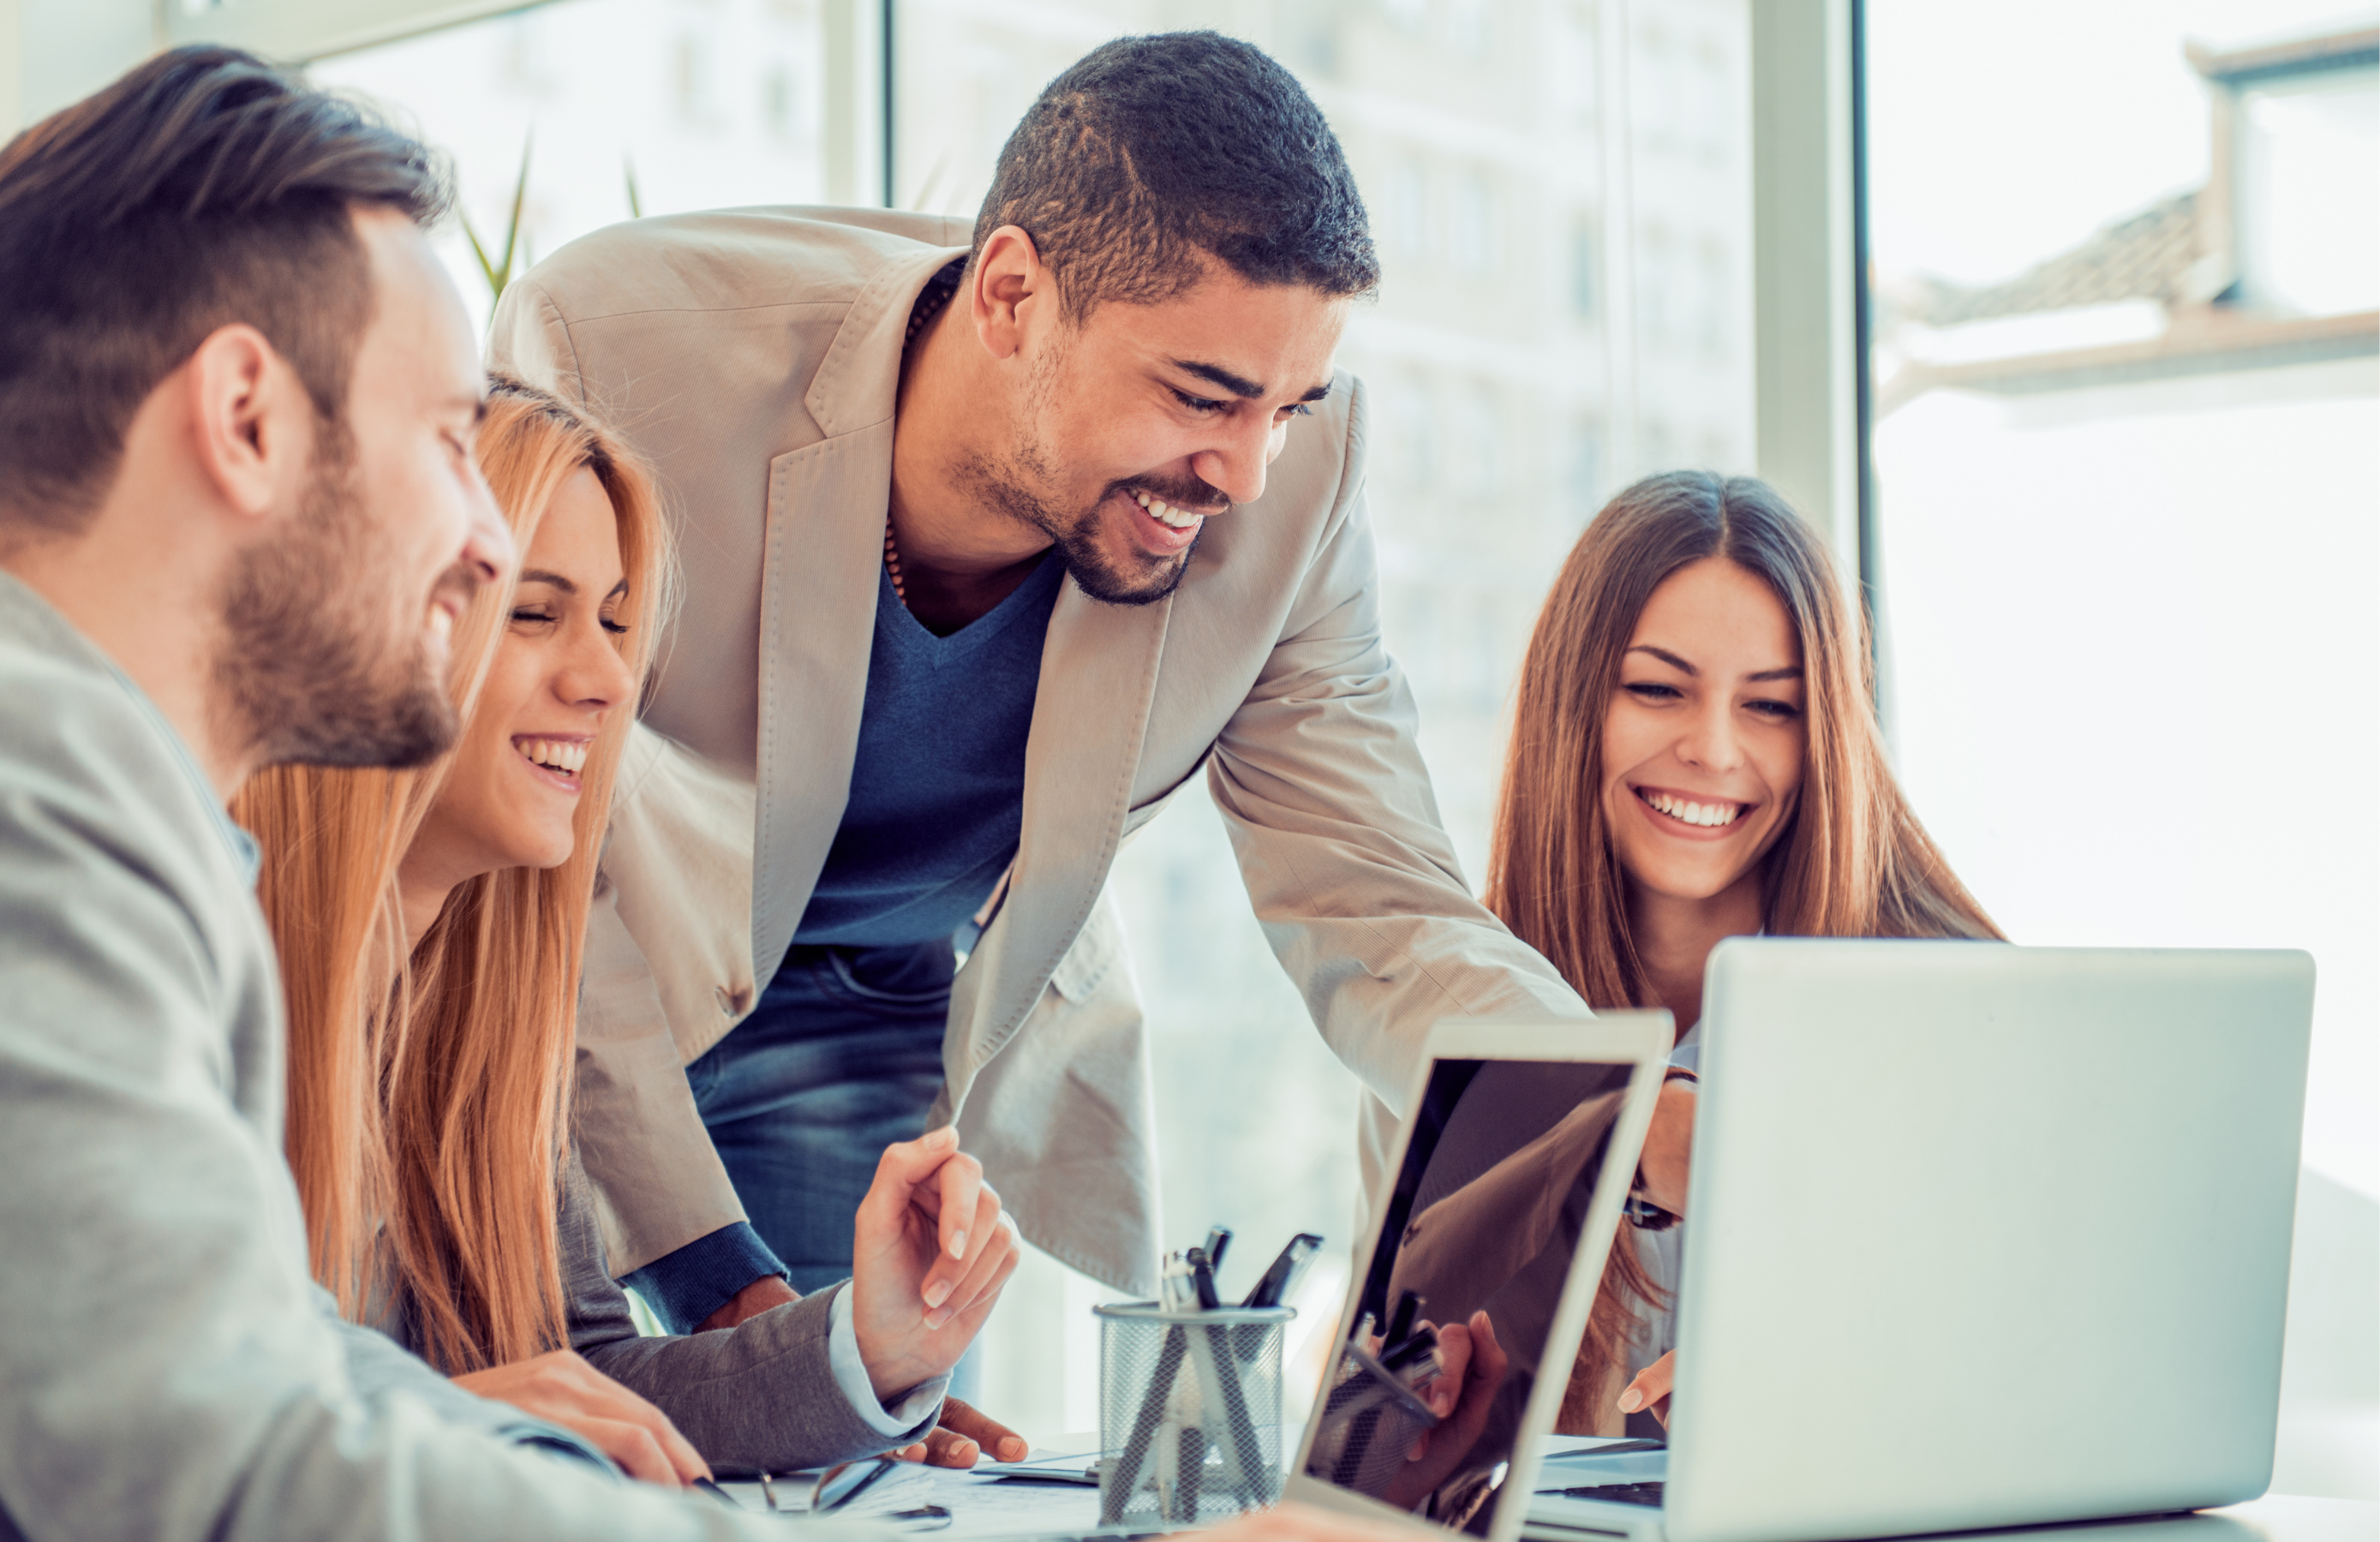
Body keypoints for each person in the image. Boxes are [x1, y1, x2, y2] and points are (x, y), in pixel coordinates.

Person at [485, 31, 1594, 1386]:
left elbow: (1381, 903)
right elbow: (538, 860)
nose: (1244, 474)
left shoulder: (1291, 492)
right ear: (1010, 293)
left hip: (879, 1015)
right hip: (587, 978)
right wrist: (722, 1289)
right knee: (554, 1421)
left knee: (857, 1459)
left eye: (1288, 406)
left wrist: (1610, 1116)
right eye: (1203, 395)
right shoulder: (617, 352)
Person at [233, 375, 1013, 1480]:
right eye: (535, 613)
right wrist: (437, 1424)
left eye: (614, 620)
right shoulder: (185, 986)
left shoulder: (476, 1011)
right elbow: (112, 1437)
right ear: (361, 630)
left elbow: (581, 1378)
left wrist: (872, 1344)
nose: (607, 680)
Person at [1480, 469, 2001, 1431]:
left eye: (1771, 706)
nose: (1714, 751)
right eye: (1655, 689)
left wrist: (1835, 1375)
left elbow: (2014, 1366)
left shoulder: (1949, 1013)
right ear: (1574, 705)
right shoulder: (1471, 1009)